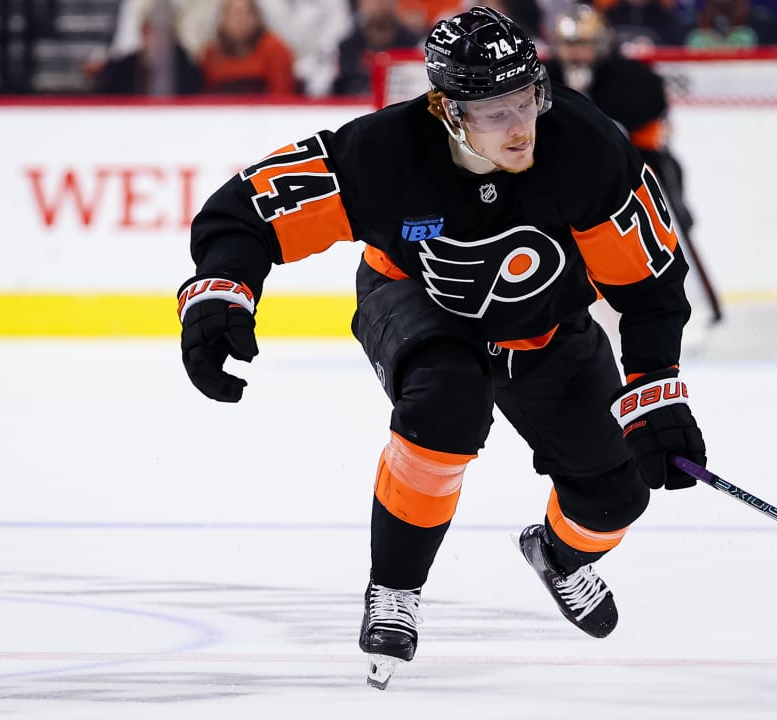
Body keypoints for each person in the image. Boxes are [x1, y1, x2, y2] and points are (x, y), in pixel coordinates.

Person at [176, 5, 707, 689]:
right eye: (494, 112)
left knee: (616, 495)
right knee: (445, 409)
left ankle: (558, 556)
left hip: (546, 324)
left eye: (527, 100)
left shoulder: (586, 147)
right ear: (446, 109)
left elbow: (649, 282)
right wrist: (221, 291)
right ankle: (395, 588)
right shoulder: (386, 153)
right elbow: (249, 208)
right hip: (415, 301)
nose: (520, 127)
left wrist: (655, 386)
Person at [545, 4, 718, 321]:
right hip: (565, 177)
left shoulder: (634, 78)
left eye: (583, 44)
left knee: (668, 221)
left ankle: (692, 301)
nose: (576, 53)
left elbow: (650, 135)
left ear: (600, 43)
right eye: (569, 44)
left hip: (636, 168)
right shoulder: (544, 78)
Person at [200, 0, 298, 94]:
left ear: (256, 17)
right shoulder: (212, 53)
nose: (239, 20)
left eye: (244, 14)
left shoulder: (275, 49)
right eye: (231, 14)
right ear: (222, 19)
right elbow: (205, 93)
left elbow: (282, 93)